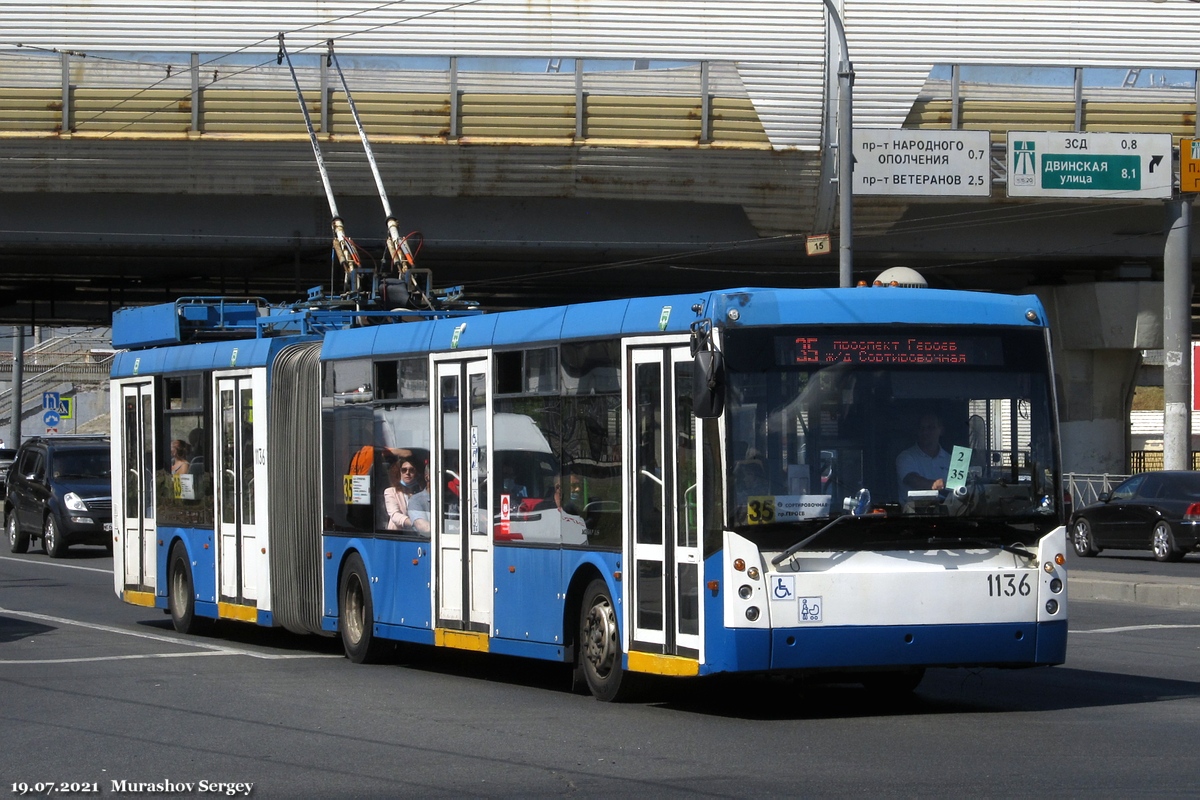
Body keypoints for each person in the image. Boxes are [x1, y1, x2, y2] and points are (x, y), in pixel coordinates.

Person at [896, 413, 951, 501]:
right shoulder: (905, 457)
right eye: (922, 428)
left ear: (941, 430)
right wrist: (935, 484)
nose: (925, 432)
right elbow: (913, 480)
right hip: (914, 508)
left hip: (949, 508)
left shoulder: (950, 460)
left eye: (931, 428)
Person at [383, 450, 424, 530]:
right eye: (404, 470)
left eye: (411, 470)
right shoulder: (390, 492)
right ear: (399, 473)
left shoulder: (422, 492)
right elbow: (395, 515)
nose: (407, 473)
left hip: (420, 534)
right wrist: (415, 523)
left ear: (417, 473)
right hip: (399, 534)